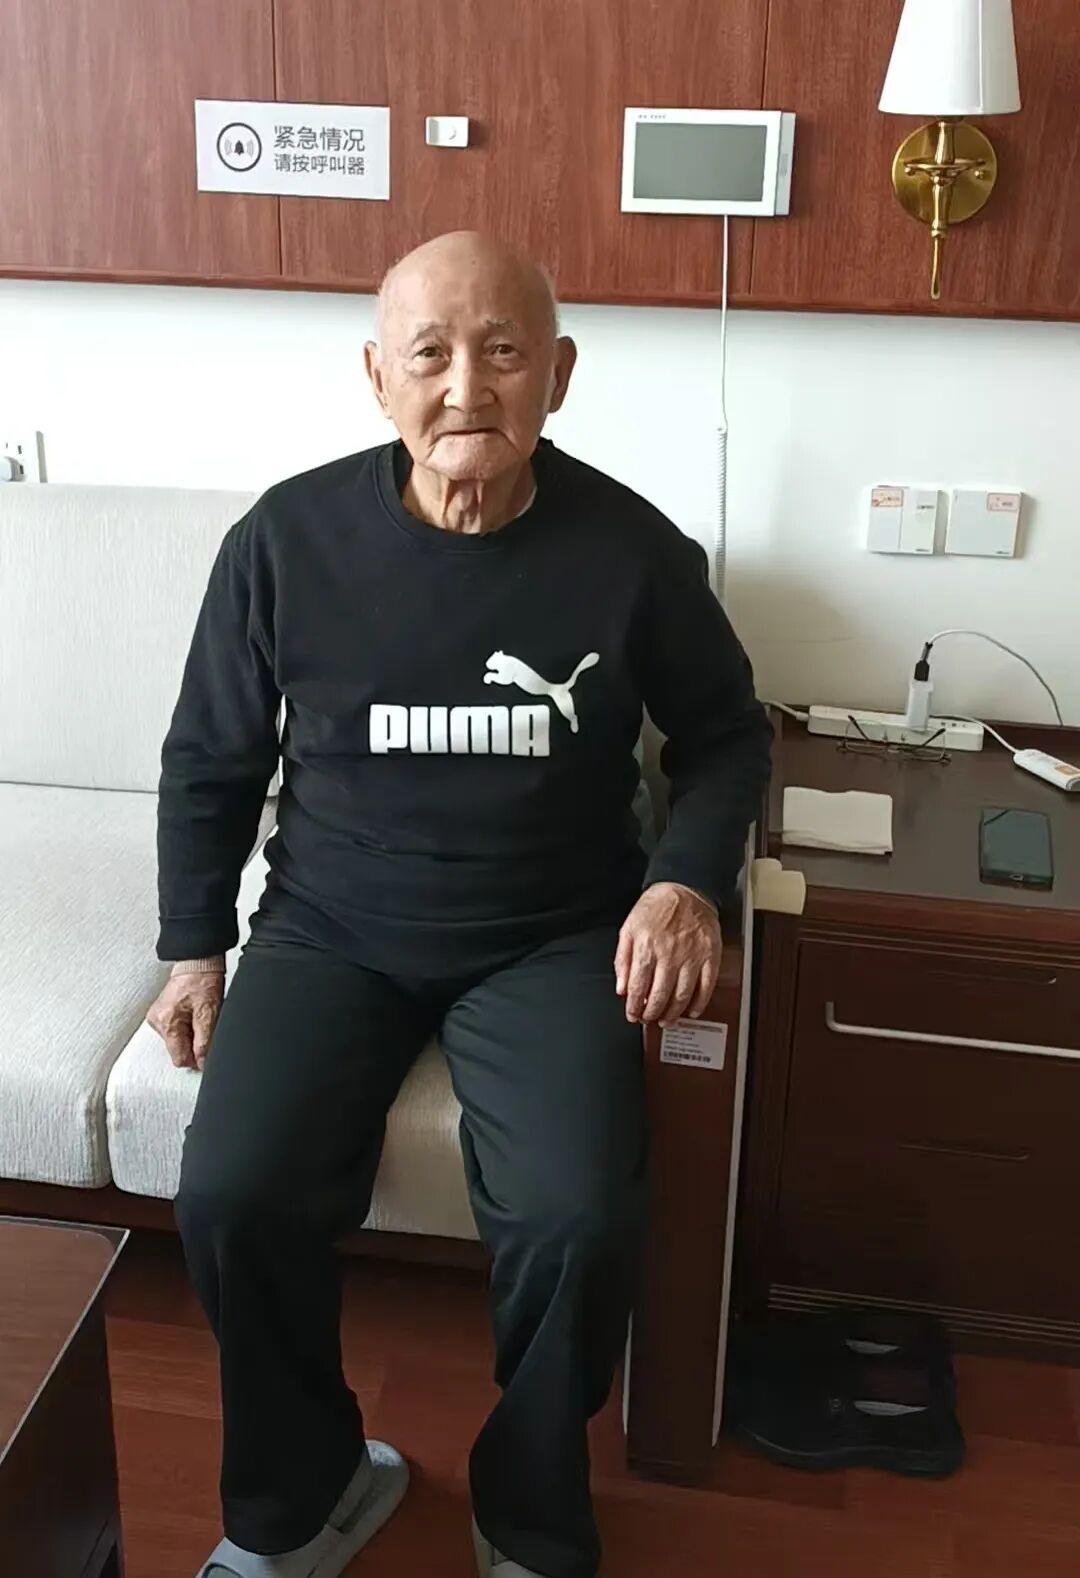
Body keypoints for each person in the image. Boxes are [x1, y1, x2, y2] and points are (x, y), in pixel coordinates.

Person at [147, 230, 772, 1578]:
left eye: (502, 351)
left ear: (561, 373)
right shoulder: (284, 542)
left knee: (580, 1217)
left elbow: (728, 734)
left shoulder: (634, 550)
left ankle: (529, 1509)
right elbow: (209, 757)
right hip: (329, 926)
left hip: (552, 934)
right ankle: (304, 1495)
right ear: (378, 376)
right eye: (430, 353)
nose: (466, 386)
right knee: (232, 1194)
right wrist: (193, 945)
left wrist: (684, 879)